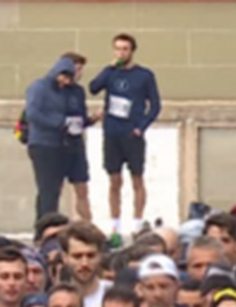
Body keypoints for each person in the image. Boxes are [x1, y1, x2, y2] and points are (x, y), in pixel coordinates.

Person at [89, 32, 161, 236]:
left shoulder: (144, 75)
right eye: (118, 48)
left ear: (132, 51)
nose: (121, 52)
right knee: (114, 180)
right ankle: (115, 225)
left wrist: (142, 126)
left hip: (132, 134)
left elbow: (155, 105)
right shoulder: (110, 73)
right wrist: (109, 68)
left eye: (125, 49)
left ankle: (137, 223)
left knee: (137, 178)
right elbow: (93, 88)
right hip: (112, 132)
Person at [25, 55, 88, 221]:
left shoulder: (72, 92)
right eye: (64, 77)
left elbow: (76, 114)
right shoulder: (39, 87)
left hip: (66, 144)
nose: (66, 82)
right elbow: (33, 113)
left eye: (69, 78)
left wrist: (87, 121)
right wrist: (59, 123)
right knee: (49, 190)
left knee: (68, 187)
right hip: (44, 144)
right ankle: (45, 227)